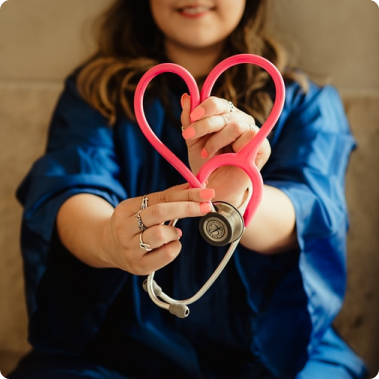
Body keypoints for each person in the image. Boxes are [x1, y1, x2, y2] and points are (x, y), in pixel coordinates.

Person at [7, 0, 368, 378]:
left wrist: (235, 200)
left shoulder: (305, 102)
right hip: (115, 351)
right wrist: (108, 240)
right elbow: (68, 188)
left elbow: (310, 211)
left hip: (277, 352)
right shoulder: (93, 93)